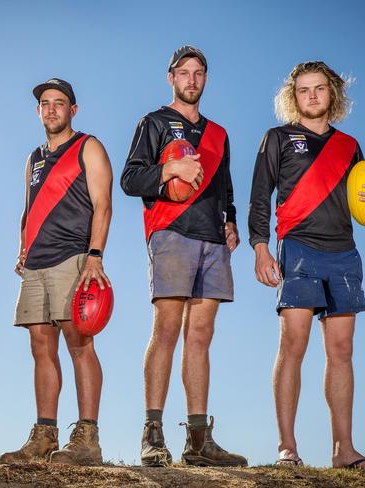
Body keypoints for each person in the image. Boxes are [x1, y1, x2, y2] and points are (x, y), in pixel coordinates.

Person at [248, 61, 365, 471]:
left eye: (319, 89)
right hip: (298, 249)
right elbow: (260, 196)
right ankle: (287, 448)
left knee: (342, 350)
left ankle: (343, 451)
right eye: (302, 90)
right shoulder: (277, 138)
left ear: (333, 93)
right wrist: (261, 248)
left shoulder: (350, 146)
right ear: (292, 97)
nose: (311, 96)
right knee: (293, 345)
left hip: (344, 253)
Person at [121, 46, 247, 467]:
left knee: (201, 337)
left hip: (213, 241)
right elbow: (130, 178)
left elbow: (226, 187)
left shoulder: (219, 134)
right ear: (171, 77)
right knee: (167, 330)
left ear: (205, 79)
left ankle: (198, 440)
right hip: (171, 233)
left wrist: (231, 221)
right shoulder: (154, 122)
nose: (191, 80)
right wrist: (170, 171)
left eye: (199, 73)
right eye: (184, 73)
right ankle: (152, 433)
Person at [0, 78, 113, 466]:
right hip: (35, 262)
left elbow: (103, 204)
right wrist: (22, 246)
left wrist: (95, 255)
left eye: (59, 103)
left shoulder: (88, 147)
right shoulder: (33, 158)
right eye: (45, 103)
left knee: (79, 345)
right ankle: (45, 435)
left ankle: (87, 439)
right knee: (40, 347)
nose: (51, 109)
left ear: (72, 110)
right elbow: (28, 207)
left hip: (74, 258)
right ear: (38, 111)